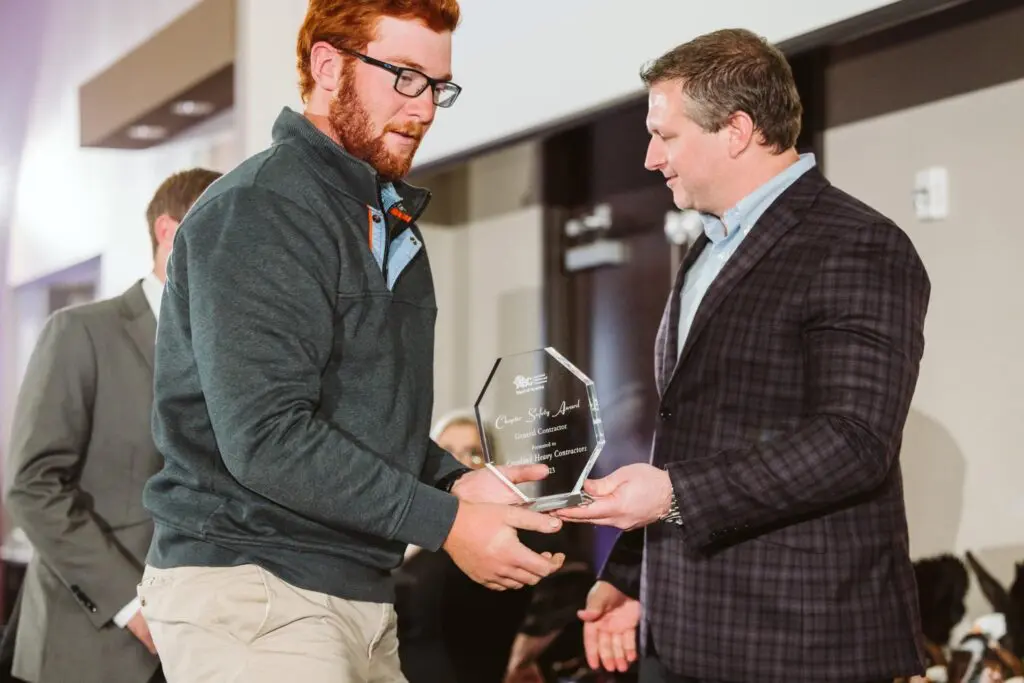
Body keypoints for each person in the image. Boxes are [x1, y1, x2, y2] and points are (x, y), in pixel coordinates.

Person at [136, 2, 563, 682]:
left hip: (353, 589)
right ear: (328, 66)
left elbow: (362, 424)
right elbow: (267, 437)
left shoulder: (386, 221)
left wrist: (456, 481)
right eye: (405, 77)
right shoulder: (261, 207)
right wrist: (448, 521)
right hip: (257, 588)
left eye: (438, 86)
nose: (424, 109)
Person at [556, 28, 931, 683]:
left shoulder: (857, 243)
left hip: (799, 645)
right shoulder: (709, 247)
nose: (650, 157)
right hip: (679, 633)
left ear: (736, 129)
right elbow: (689, 434)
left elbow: (854, 441)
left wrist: (672, 494)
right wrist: (631, 576)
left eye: (665, 136)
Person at [4, 168, 222, 683]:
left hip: (205, 645)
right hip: (92, 646)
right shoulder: (80, 332)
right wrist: (133, 606)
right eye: (223, 227)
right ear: (168, 231)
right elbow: (33, 488)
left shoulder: (235, 348)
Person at [395, 411, 593, 683]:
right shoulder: (410, 539)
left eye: (474, 454)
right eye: (446, 454)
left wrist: (526, 654)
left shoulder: (516, 531)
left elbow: (571, 579)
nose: (459, 463)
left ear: (493, 465)